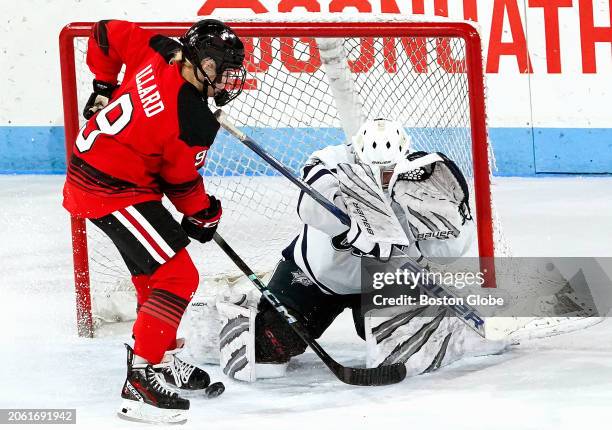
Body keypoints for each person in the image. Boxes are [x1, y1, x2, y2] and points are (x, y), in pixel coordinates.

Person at [211, 118, 505, 382]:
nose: (381, 178)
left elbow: (444, 252)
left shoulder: (420, 179)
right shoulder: (333, 160)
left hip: (377, 281)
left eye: (388, 172)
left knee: (400, 346)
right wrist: (352, 227)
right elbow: (309, 204)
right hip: (314, 277)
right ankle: (220, 325)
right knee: (270, 345)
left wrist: (450, 225)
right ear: (356, 154)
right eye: (372, 170)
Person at [62, 18, 246, 423]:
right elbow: (180, 184)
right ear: (201, 62)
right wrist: (204, 214)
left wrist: (103, 86)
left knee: (153, 276)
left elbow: (105, 32)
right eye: (220, 69)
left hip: (109, 174)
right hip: (109, 188)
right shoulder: (194, 118)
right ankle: (140, 381)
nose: (226, 80)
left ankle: (159, 359)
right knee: (178, 277)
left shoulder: (162, 49)